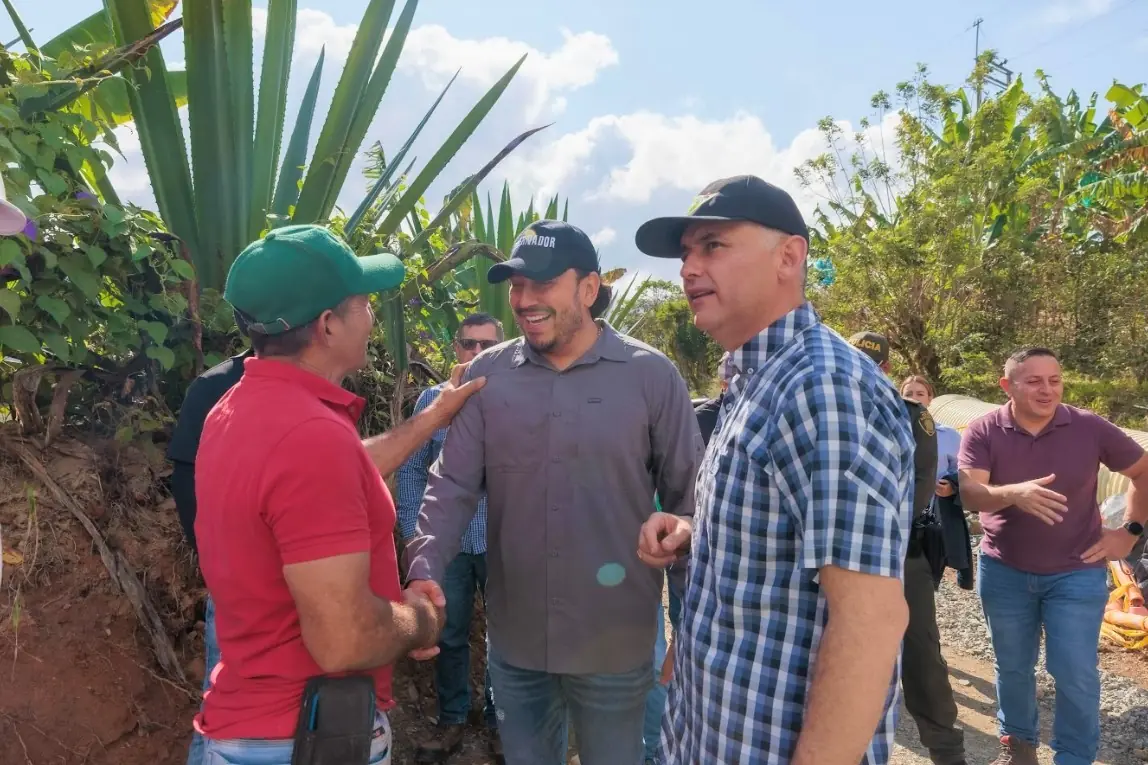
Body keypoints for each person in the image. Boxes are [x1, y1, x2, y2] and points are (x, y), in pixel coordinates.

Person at [635, 174, 915, 765]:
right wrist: (697, 534)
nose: (688, 268)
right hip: (711, 733)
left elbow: (870, 618)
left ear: (789, 257)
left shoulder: (823, 387)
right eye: (687, 252)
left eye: (713, 245)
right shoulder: (755, 381)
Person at [405, 219, 703, 765]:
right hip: (517, 646)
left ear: (588, 289)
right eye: (516, 285)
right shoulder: (488, 376)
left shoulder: (651, 376)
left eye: (542, 284)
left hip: (614, 642)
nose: (524, 299)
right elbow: (451, 483)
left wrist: (692, 623)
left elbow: (692, 504)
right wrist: (423, 568)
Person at [193, 224, 483, 765]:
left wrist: (433, 416)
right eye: (364, 303)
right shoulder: (311, 438)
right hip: (305, 739)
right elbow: (344, 640)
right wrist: (420, 617)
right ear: (328, 325)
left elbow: (335, 478)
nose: (371, 317)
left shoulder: (237, 410)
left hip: (252, 727)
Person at [958, 347, 1148, 765]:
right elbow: (970, 492)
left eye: (1055, 380)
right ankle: (1018, 746)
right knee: (1012, 666)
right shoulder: (984, 430)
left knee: (1074, 673)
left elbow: (1142, 470)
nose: (1047, 390)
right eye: (1034, 381)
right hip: (1004, 570)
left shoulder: (1088, 427)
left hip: (1076, 573)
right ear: (1007, 386)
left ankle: (1074, 758)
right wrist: (1012, 494)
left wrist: (1130, 534)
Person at [850, 336, 966, 765]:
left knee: (921, 653)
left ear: (883, 369)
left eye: (872, 363)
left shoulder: (911, 416)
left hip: (899, 551)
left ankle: (946, 750)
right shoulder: (825, 404)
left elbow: (920, 487)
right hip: (834, 552)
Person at [396, 313, 505, 763]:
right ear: (455, 349)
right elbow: (412, 472)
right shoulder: (431, 400)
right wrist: (413, 537)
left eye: (487, 344)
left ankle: (503, 723)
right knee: (452, 632)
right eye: (468, 344)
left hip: (505, 541)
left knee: (508, 636)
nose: (477, 353)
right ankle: (453, 718)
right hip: (450, 544)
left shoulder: (519, 399)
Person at [166, 313, 252, 765]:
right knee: (224, 702)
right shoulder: (216, 386)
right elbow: (186, 478)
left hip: (307, 586)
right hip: (238, 585)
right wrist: (215, 561)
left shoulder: (319, 387)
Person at [901, 375, 962, 499]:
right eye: (908, 394)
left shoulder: (949, 435)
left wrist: (951, 485)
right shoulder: (892, 433)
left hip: (937, 508)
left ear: (930, 399)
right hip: (900, 506)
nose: (914, 398)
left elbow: (964, 470)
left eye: (920, 394)